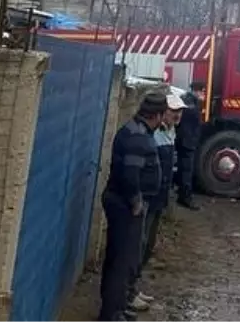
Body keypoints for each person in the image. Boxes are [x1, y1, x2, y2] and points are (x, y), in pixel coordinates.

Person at [99, 91, 163, 322]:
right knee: (122, 262)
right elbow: (130, 174)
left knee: (118, 258)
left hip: (120, 202)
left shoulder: (134, 129)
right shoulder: (138, 138)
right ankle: (112, 315)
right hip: (126, 206)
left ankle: (116, 305)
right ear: (157, 115)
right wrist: (136, 202)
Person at [141, 91, 183, 271]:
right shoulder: (154, 134)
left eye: (180, 110)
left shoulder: (171, 131)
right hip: (149, 196)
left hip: (160, 196)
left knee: (149, 238)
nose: (178, 114)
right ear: (163, 112)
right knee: (141, 240)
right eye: (174, 110)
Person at [175, 84, 203, 210]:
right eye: (202, 91)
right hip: (187, 140)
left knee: (183, 168)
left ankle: (181, 193)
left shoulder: (186, 99)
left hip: (184, 139)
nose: (203, 94)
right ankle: (185, 197)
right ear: (196, 91)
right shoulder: (190, 103)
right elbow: (192, 120)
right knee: (187, 170)